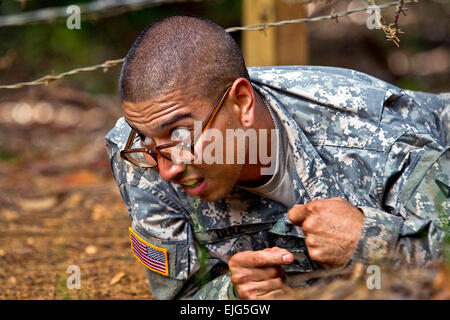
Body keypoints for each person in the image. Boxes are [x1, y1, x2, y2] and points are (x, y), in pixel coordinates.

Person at [105, 15, 449, 300]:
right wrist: (234, 297)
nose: (167, 170)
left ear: (241, 102)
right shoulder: (138, 153)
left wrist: (372, 242)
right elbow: (183, 299)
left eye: (181, 135)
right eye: (149, 140)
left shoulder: (374, 136)